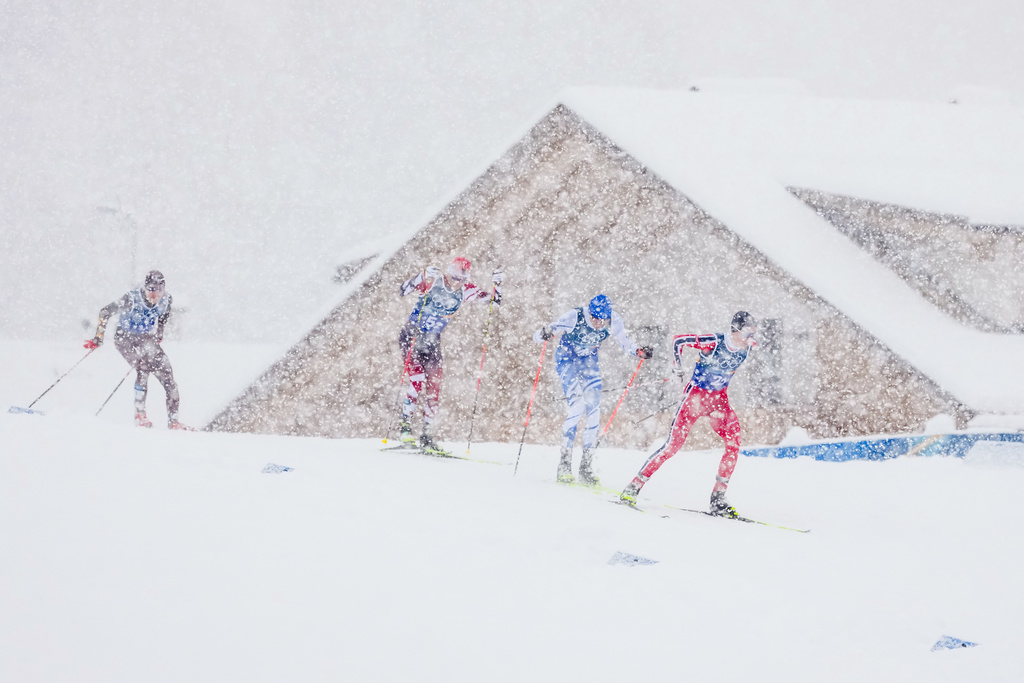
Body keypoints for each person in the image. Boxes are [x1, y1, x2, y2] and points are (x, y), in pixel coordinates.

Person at [619, 311, 757, 516]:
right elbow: (679, 341)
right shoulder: (715, 341)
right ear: (735, 330)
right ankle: (633, 486)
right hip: (695, 398)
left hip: (719, 400)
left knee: (734, 442)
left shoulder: (748, 348)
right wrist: (677, 368)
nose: (750, 337)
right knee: (672, 447)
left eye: (753, 332)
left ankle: (718, 498)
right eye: (747, 332)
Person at [535, 295, 652, 485]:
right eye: (595, 318)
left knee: (594, 411)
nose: (599, 324)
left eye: (602, 320)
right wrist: (544, 334)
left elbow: (624, 342)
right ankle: (564, 465)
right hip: (567, 361)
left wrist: (638, 351)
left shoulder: (614, 320)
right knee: (577, 406)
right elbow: (541, 334)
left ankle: (585, 467)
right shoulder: (575, 316)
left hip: (589, 363)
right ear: (590, 313)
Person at [398, 257, 502, 454]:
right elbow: (403, 290)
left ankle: (427, 436)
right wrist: (422, 275)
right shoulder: (434, 281)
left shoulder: (466, 289)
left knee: (434, 387)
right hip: (412, 335)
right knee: (417, 380)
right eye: (454, 277)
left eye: (461, 279)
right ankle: (404, 429)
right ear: (447, 273)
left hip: (432, 341)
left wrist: (498, 284)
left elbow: (494, 303)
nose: (457, 282)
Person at [84, 270, 191, 430]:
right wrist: (98, 338)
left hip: (147, 339)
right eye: (151, 289)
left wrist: (158, 335)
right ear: (145, 288)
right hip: (125, 339)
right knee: (143, 367)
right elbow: (105, 312)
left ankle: (174, 421)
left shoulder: (167, 299)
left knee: (168, 376)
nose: (155, 294)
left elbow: (163, 317)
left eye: (159, 290)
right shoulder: (132, 299)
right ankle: (140, 415)